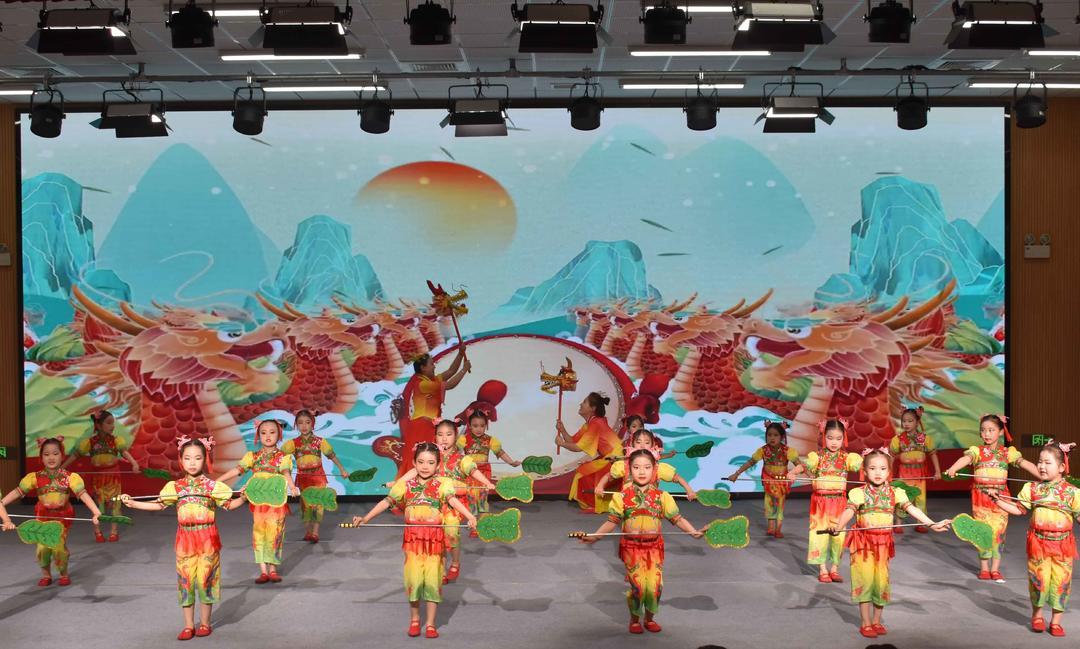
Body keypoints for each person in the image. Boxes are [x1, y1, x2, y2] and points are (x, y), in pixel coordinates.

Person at [119, 436, 246, 640]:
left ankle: (205, 623)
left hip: (207, 538)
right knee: (185, 581)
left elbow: (229, 505)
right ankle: (188, 626)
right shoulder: (175, 487)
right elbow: (159, 504)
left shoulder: (213, 487)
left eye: (197, 458)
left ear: (205, 459)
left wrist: (243, 498)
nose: (192, 462)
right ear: (181, 460)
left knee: (206, 579)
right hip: (185, 540)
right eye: (187, 458)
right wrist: (133, 503)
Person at [352, 442, 477, 638]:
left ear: (438, 465)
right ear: (414, 463)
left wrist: (470, 516)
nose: (425, 466)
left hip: (434, 543)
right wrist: (365, 518)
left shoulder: (443, 484)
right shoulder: (405, 485)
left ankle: (430, 624)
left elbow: (452, 501)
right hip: (413, 544)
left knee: (433, 581)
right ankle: (415, 620)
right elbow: (386, 502)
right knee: (414, 581)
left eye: (430, 462)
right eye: (421, 462)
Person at [579, 448, 704, 634]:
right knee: (638, 587)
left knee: (655, 587)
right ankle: (635, 619)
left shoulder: (663, 497)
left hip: (654, 548)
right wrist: (594, 536)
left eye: (647, 467)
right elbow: (611, 522)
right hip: (632, 548)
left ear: (654, 470)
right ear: (630, 470)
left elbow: (677, 519)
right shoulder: (621, 497)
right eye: (636, 467)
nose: (642, 471)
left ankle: (649, 619)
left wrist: (694, 532)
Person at [829, 448, 949, 638]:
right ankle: (866, 622)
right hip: (863, 545)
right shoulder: (859, 493)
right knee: (864, 580)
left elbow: (913, 510)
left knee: (881, 582)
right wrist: (839, 526)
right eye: (873, 468)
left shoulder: (896, 492)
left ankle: (877, 621)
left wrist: (931, 524)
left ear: (889, 471)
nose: (878, 472)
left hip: (883, 545)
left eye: (883, 468)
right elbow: (849, 511)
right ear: (864, 471)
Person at [988, 440, 1079, 637]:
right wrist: (998, 500)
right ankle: (1037, 615)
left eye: (1047, 462)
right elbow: (1018, 509)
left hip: (1063, 546)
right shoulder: (1032, 488)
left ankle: (1056, 622)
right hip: (1038, 544)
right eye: (1040, 461)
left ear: (1061, 467)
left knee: (1061, 582)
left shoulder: (1073, 493)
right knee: (1039, 580)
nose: (1041, 466)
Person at [945, 414, 1040, 582]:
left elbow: (1026, 464)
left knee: (999, 533)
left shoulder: (1007, 453)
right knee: (982, 532)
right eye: (983, 430)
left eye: (991, 430)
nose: (986, 434)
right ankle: (984, 568)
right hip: (981, 497)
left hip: (1001, 497)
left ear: (1001, 431)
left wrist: (1043, 476)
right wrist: (953, 468)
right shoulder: (977, 451)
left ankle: (995, 569)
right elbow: (965, 458)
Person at [0, 437, 101, 587]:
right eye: (46, 454)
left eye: (55, 453)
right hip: (43, 517)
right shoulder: (34, 477)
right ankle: (46, 575)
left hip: (62, 517)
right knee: (42, 548)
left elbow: (83, 495)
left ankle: (63, 573)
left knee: (57, 546)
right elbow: (14, 494)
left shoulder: (70, 477)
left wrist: (96, 512)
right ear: (41, 457)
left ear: (62, 455)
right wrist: (3, 510)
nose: (51, 458)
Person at [216, 419, 299, 584]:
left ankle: (273, 569)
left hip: (275, 502)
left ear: (279, 434)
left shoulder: (284, 457)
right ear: (258, 435)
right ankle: (263, 571)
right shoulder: (252, 456)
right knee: (259, 534)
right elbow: (237, 470)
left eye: (272, 432)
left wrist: (292, 486)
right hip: (259, 503)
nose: (268, 436)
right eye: (263, 433)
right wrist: (218, 481)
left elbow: (285, 472)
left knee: (275, 533)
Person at [787, 419, 863, 582]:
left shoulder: (847, 458)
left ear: (844, 438)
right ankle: (822, 569)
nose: (834, 442)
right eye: (830, 438)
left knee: (838, 535)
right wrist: (793, 472)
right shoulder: (817, 457)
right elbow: (804, 466)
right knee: (819, 535)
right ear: (823, 437)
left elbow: (861, 466)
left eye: (838, 438)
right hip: (820, 503)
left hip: (839, 502)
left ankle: (834, 568)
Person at [62, 410, 139, 542]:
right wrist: (62, 467)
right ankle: (98, 532)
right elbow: (75, 455)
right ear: (98, 425)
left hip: (113, 477)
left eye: (113, 423)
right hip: (98, 479)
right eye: (108, 423)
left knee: (115, 504)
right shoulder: (90, 442)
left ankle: (114, 532)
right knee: (98, 506)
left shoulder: (116, 441)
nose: (112, 426)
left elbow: (124, 452)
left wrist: (134, 463)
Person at [398, 350, 471, 477]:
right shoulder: (423, 384)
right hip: (421, 426)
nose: (434, 366)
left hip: (429, 426)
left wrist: (460, 354)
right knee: (419, 457)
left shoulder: (431, 380)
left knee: (431, 457)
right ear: (423, 367)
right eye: (431, 364)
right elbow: (450, 384)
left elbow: (451, 371)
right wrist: (464, 369)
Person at [281, 409, 348, 543]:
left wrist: (342, 469)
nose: (304, 426)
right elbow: (280, 458)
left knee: (318, 505)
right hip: (303, 478)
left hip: (318, 477)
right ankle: (308, 532)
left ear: (312, 424)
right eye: (300, 423)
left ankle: (315, 533)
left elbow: (332, 456)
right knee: (305, 506)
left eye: (307, 422)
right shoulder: (292, 443)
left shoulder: (320, 442)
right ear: (296, 425)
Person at [726, 420, 803, 537]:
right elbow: (750, 462)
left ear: (782, 437)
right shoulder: (763, 450)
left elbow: (800, 465)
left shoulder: (788, 451)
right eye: (769, 435)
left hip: (781, 482)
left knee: (779, 505)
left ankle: (778, 529)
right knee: (769, 504)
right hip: (768, 481)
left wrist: (804, 474)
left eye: (776, 435)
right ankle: (771, 528)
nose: (772, 438)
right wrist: (736, 474)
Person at [557, 392, 622, 513]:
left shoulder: (596, 424)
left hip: (615, 459)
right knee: (583, 471)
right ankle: (595, 503)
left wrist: (562, 444)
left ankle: (595, 505)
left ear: (593, 408)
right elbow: (573, 441)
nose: (581, 404)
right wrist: (562, 430)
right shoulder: (590, 424)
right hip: (609, 457)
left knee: (584, 473)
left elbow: (577, 447)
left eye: (584, 402)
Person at [888, 407, 941, 534]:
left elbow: (933, 454)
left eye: (910, 421)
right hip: (904, 475)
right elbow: (891, 457)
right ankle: (898, 523)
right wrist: (888, 473)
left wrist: (937, 471)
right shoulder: (898, 439)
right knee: (903, 497)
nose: (906, 424)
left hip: (920, 476)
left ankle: (920, 523)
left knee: (920, 499)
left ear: (917, 422)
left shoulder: (925, 439)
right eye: (904, 421)